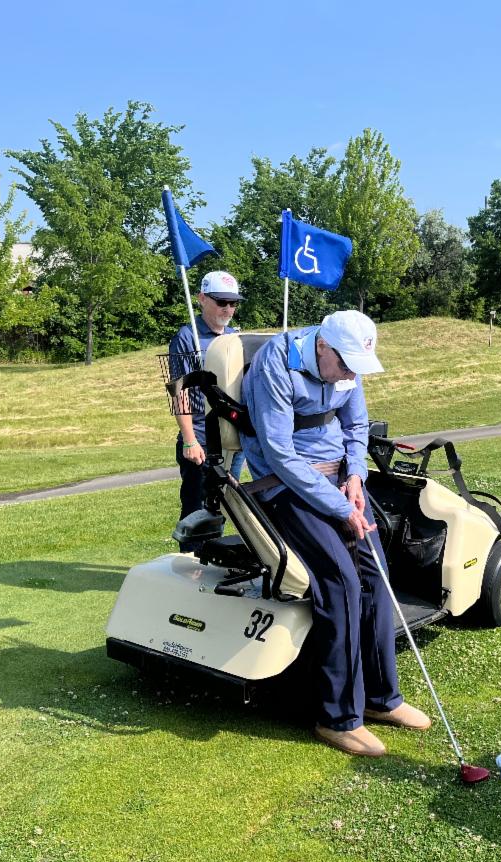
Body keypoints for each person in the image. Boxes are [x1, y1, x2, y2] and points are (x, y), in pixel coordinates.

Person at [240, 309, 431, 756]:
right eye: (344, 364)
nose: (349, 374)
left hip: (338, 482)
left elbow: (356, 426)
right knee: (340, 581)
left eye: (355, 368)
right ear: (322, 346)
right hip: (282, 486)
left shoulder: (346, 365)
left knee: (376, 573)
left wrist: (356, 478)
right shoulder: (276, 363)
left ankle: (382, 699)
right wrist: (340, 507)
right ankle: (338, 717)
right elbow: (280, 454)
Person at [169, 270, 245, 551]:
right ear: (201, 299)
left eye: (233, 303)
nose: (228, 309)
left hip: (231, 436)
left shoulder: (235, 337)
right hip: (200, 436)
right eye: (221, 302)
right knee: (196, 506)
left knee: (222, 504)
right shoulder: (186, 336)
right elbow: (180, 392)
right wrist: (189, 439)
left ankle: (210, 562)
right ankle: (188, 569)